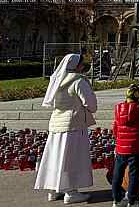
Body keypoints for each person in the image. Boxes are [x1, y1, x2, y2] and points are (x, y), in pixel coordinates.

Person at [34, 53, 97, 204]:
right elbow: (91, 105)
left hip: (56, 123)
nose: (83, 66)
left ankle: (55, 189)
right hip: (73, 125)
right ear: (77, 66)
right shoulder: (78, 81)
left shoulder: (56, 79)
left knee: (56, 157)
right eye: (82, 64)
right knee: (71, 159)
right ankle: (71, 192)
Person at [111, 84, 139, 207]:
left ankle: (116, 200)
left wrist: (120, 140)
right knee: (134, 174)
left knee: (117, 173)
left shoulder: (119, 110)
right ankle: (132, 200)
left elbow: (115, 129)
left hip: (121, 148)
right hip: (136, 148)